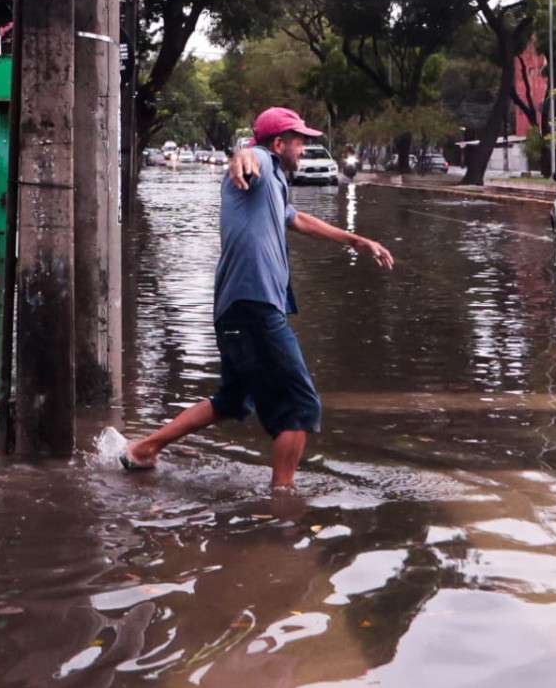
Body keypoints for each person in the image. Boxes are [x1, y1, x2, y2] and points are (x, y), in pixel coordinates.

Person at [123, 107, 395, 489]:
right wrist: (242, 154)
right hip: (254, 304)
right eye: (299, 142)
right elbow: (248, 160)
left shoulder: (274, 184)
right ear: (279, 143)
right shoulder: (263, 165)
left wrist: (357, 241)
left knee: (232, 401)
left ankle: (143, 450)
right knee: (301, 407)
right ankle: (282, 501)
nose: (303, 149)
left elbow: (296, 219)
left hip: (238, 306)